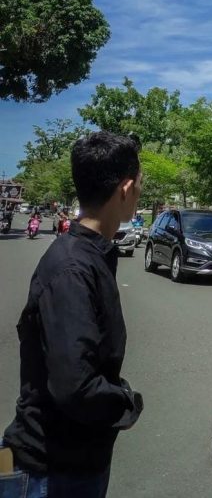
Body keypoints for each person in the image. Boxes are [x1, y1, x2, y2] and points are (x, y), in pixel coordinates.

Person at [1, 131, 144, 498]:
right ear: (125, 189)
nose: (140, 193)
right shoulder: (72, 269)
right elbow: (76, 386)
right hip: (51, 471)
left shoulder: (92, 256)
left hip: (76, 461)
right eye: (141, 185)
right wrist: (127, 401)